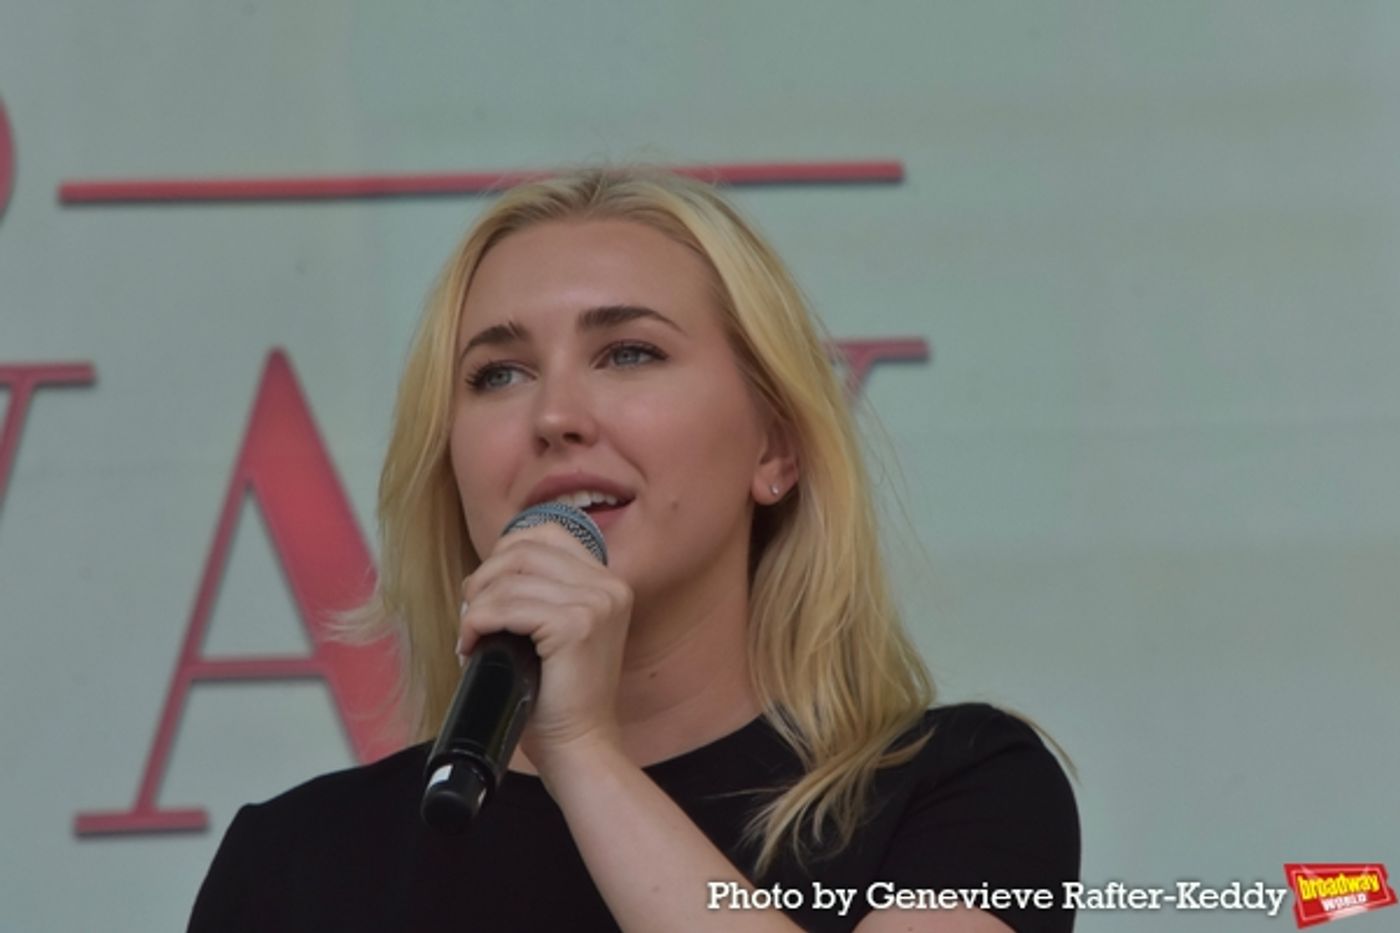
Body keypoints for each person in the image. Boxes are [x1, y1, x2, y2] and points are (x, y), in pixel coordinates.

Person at [188, 167, 1079, 932]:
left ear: (774, 448)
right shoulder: (294, 861)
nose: (554, 416)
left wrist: (582, 749)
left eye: (628, 353)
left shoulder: (955, 789)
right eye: (499, 373)